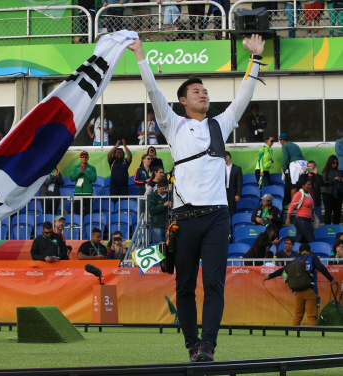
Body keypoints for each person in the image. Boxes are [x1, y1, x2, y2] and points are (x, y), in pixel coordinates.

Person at [129, 34, 265, 362]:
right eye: (196, 92)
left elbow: (244, 95)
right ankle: (192, 345)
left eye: (205, 91)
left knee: (215, 284)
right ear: (183, 101)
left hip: (218, 216)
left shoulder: (221, 123)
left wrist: (255, 58)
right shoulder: (172, 124)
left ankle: (208, 345)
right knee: (185, 286)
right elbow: (153, 92)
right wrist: (140, 56)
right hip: (185, 219)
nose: (203, 94)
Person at [265, 243, 338, 326]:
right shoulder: (313, 258)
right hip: (310, 290)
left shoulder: (295, 260)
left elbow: (282, 270)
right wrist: (331, 279)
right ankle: (313, 335)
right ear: (310, 251)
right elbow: (321, 267)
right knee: (311, 315)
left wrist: (270, 276)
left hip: (298, 291)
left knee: (298, 316)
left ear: (299, 251)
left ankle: (294, 334)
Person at [286, 174, 316, 244]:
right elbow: (292, 206)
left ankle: (295, 253)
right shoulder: (299, 194)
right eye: (308, 185)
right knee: (311, 239)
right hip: (301, 220)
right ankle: (315, 253)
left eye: (310, 185)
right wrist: (288, 219)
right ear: (303, 185)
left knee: (300, 240)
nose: (310, 186)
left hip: (307, 221)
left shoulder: (308, 195)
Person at [279, 133, 307, 202]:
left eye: (280, 140)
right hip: (304, 164)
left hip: (295, 164)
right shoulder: (295, 145)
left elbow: (286, 159)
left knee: (293, 184)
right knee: (303, 183)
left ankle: (293, 203)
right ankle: (303, 201)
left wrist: (285, 168)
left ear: (282, 140)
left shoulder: (284, 146)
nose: (280, 142)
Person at [71, 151, 97, 216]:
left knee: (88, 214)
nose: (84, 158)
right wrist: (79, 172)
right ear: (80, 158)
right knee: (77, 214)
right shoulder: (76, 168)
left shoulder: (92, 168)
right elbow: (72, 178)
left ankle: (88, 226)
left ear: (88, 158)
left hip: (88, 194)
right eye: (82, 157)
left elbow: (94, 179)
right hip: (77, 194)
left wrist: (85, 172)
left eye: (86, 157)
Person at [148, 179, 171, 244]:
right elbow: (151, 210)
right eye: (163, 188)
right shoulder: (152, 196)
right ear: (158, 187)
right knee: (157, 245)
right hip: (157, 224)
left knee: (169, 244)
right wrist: (163, 205)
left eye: (165, 188)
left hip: (168, 224)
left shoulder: (169, 195)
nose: (164, 190)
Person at [321, 155, 343, 225]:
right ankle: (327, 229)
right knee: (328, 212)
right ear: (330, 163)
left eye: (336, 163)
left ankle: (336, 228)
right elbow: (323, 183)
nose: (335, 164)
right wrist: (333, 180)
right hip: (328, 194)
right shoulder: (325, 171)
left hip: (338, 193)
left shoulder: (339, 171)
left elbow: (340, 184)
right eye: (333, 163)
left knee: (337, 213)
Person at [225, 151, 242, 217]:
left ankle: (232, 226)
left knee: (232, 211)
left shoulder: (237, 168)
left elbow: (240, 183)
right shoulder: (221, 168)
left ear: (228, 157)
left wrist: (238, 194)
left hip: (232, 193)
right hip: (223, 193)